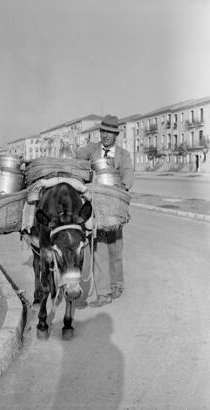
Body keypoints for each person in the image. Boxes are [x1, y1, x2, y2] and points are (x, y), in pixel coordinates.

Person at [76, 114, 134, 307]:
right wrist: (85, 148)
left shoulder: (122, 154)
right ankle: (103, 292)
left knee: (115, 249)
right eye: (102, 131)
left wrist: (123, 188)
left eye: (109, 132)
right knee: (98, 248)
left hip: (114, 206)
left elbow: (128, 174)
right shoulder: (93, 150)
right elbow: (78, 156)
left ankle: (117, 284)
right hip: (96, 207)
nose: (105, 135)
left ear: (116, 134)